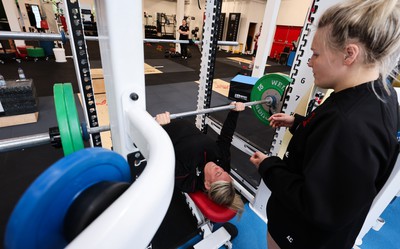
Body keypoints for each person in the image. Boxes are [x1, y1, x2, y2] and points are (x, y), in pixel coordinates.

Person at [249, 1, 400, 248]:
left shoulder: (348, 123)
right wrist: (298, 123)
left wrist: (269, 166)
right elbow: (331, 146)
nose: (310, 62)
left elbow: (317, 207)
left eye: (316, 53)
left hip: (300, 237)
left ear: (349, 54)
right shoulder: (381, 92)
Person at [155, 102, 246, 215]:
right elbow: (226, 138)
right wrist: (234, 113)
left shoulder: (188, 180)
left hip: (164, 126)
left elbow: (162, 156)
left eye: (218, 173)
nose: (220, 168)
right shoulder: (223, 164)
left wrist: (158, 129)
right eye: (224, 171)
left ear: (207, 184)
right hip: (183, 121)